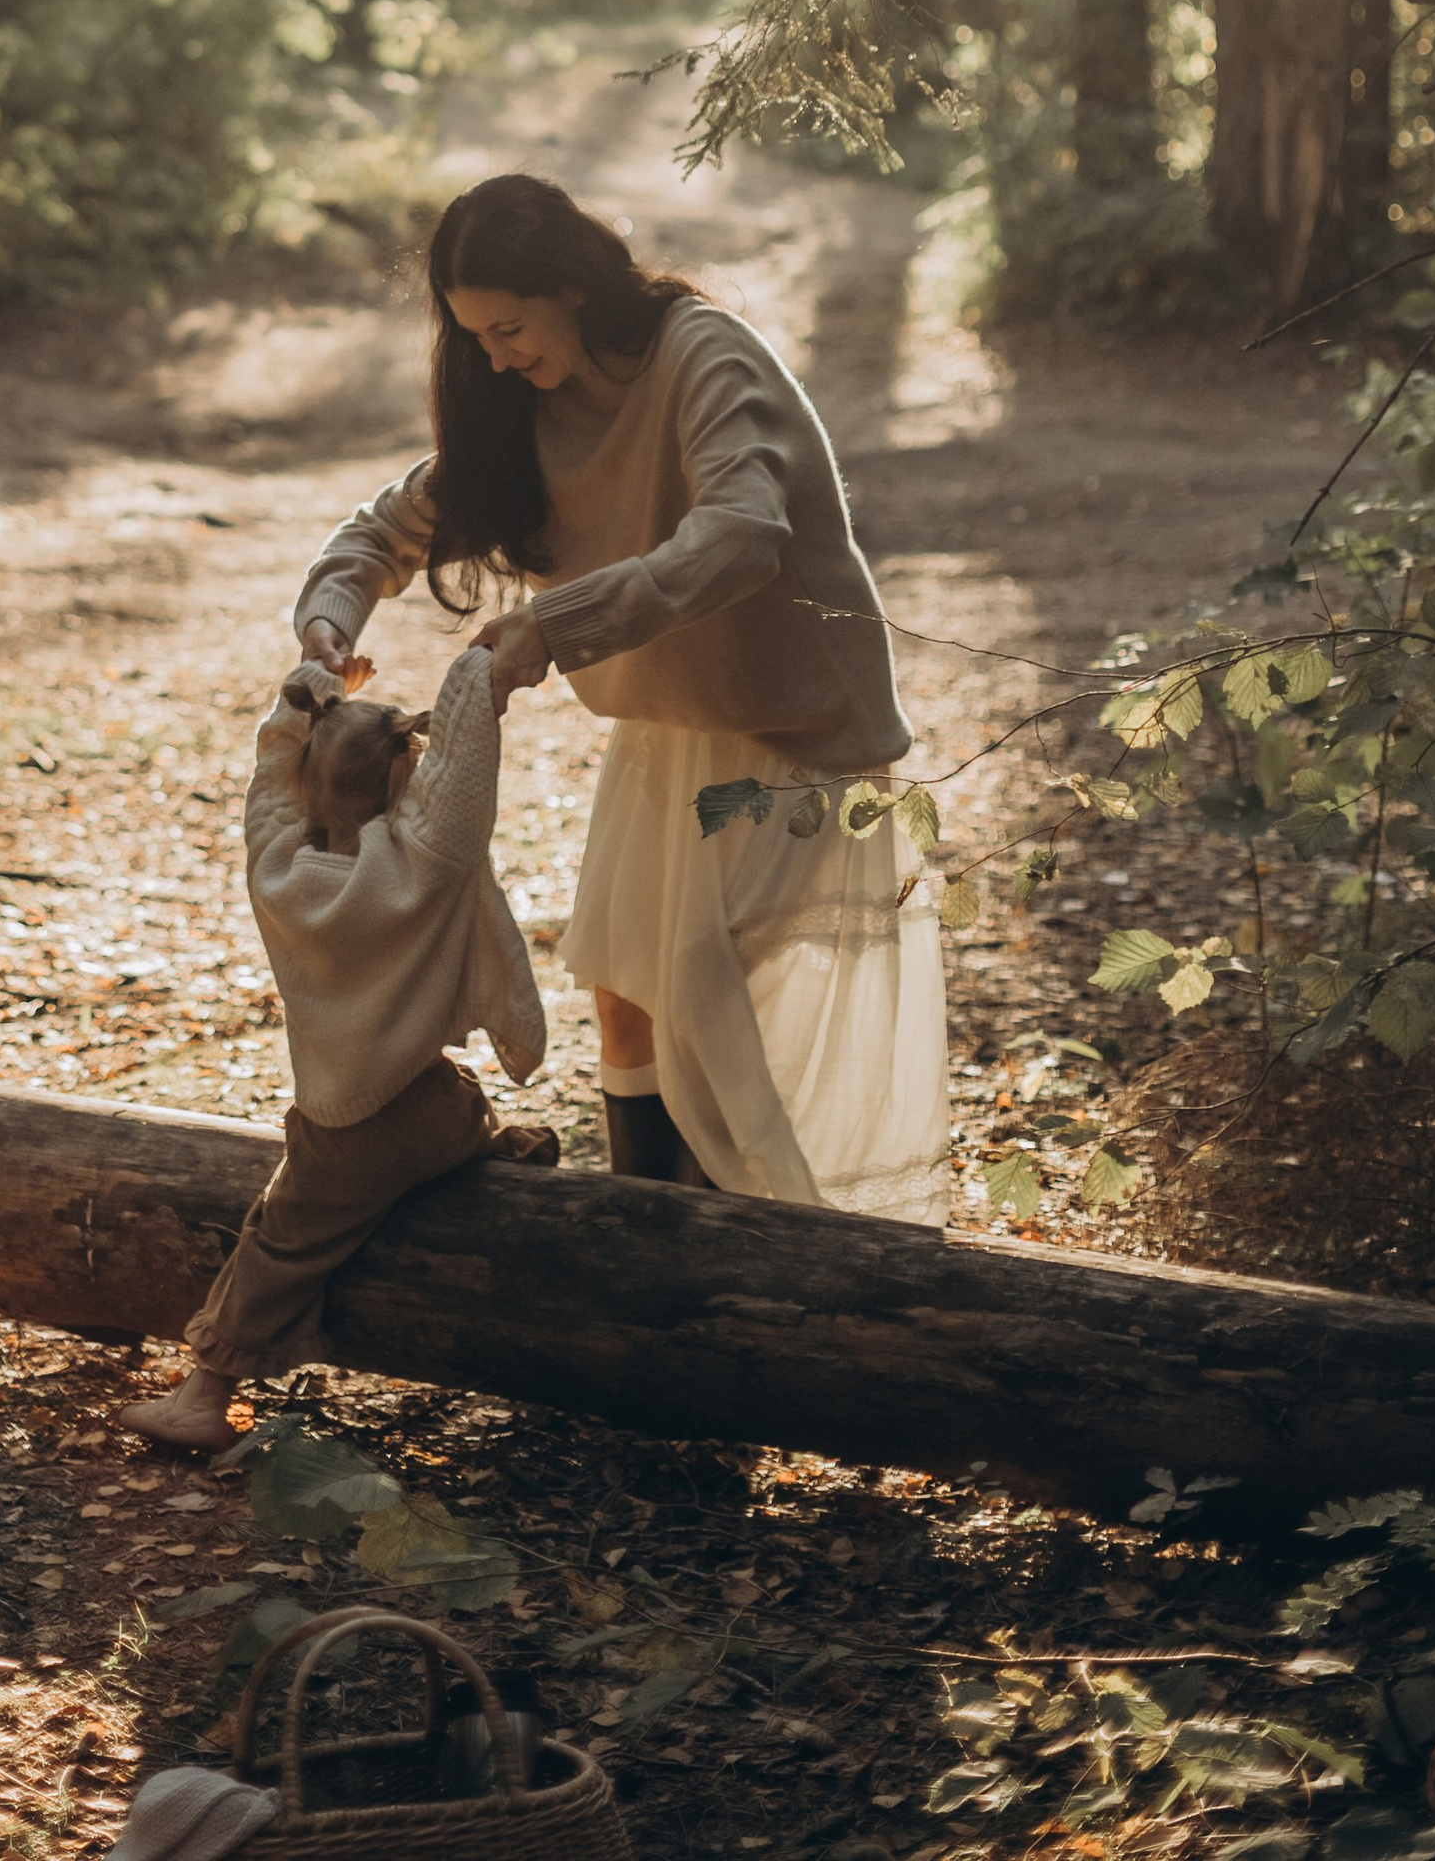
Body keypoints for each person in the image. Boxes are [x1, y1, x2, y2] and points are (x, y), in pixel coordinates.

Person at [293, 172, 949, 1223]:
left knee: (704, 987)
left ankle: (798, 1254)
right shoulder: (519, 404)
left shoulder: (702, 353)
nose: (498, 356)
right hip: (667, 736)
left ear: (572, 286)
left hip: (795, 739)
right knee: (627, 995)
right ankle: (648, 1244)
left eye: (509, 326)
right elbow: (384, 528)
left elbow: (740, 535)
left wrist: (554, 625)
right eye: (477, 338)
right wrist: (330, 617)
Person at [124, 642, 553, 1453]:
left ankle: (206, 1395)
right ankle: (491, 1150)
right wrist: (478, 677)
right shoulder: (425, 865)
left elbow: (266, 786)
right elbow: (461, 784)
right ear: (405, 781)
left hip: (346, 1130)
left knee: (280, 1239)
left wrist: (305, 704)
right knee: (435, 1129)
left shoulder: (276, 870)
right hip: (440, 1105)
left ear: (303, 785)